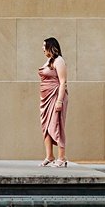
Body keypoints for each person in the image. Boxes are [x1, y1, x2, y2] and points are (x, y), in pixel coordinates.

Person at [38, 36, 69, 167]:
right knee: (45, 127)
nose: (42, 48)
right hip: (45, 98)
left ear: (51, 47)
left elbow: (63, 82)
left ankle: (62, 158)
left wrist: (59, 101)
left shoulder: (59, 61)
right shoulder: (48, 60)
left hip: (56, 96)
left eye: (44, 45)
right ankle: (49, 156)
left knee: (56, 126)